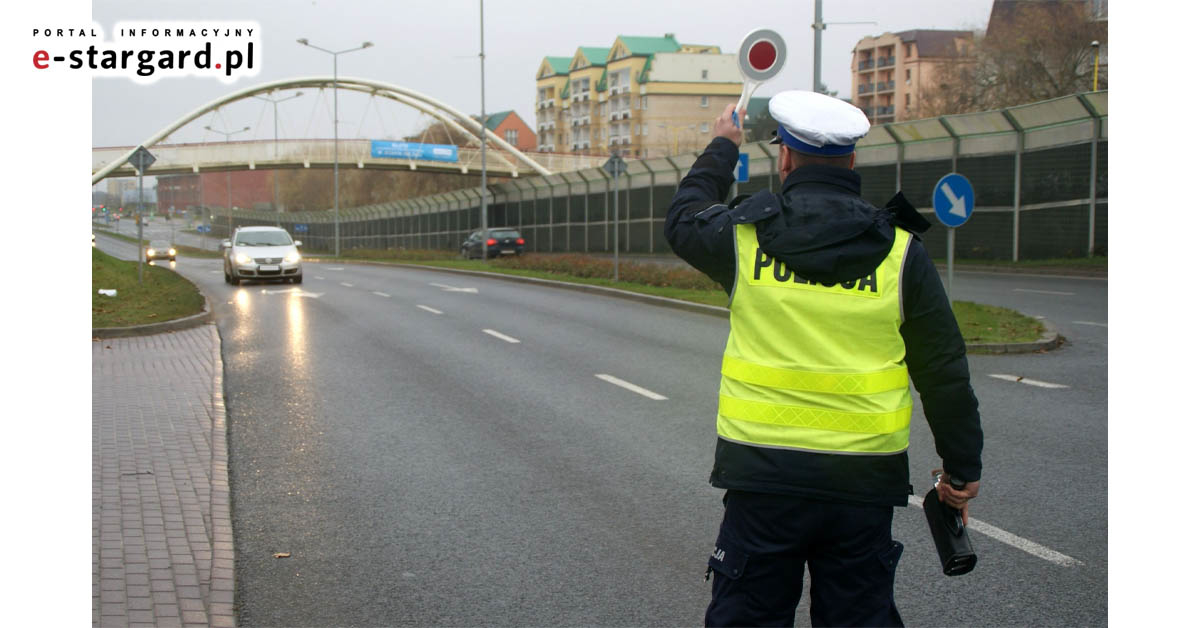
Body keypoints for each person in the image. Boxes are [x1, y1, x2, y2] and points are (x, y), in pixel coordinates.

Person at [664, 91, 984, 627]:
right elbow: (944, 371)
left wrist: (723, 145)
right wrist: (960, 471)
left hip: (763, 480)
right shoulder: (902, 252)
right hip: (862, 489)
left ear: (785, 158)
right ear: (852, 160)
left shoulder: (743, 238)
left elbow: (684, 218)